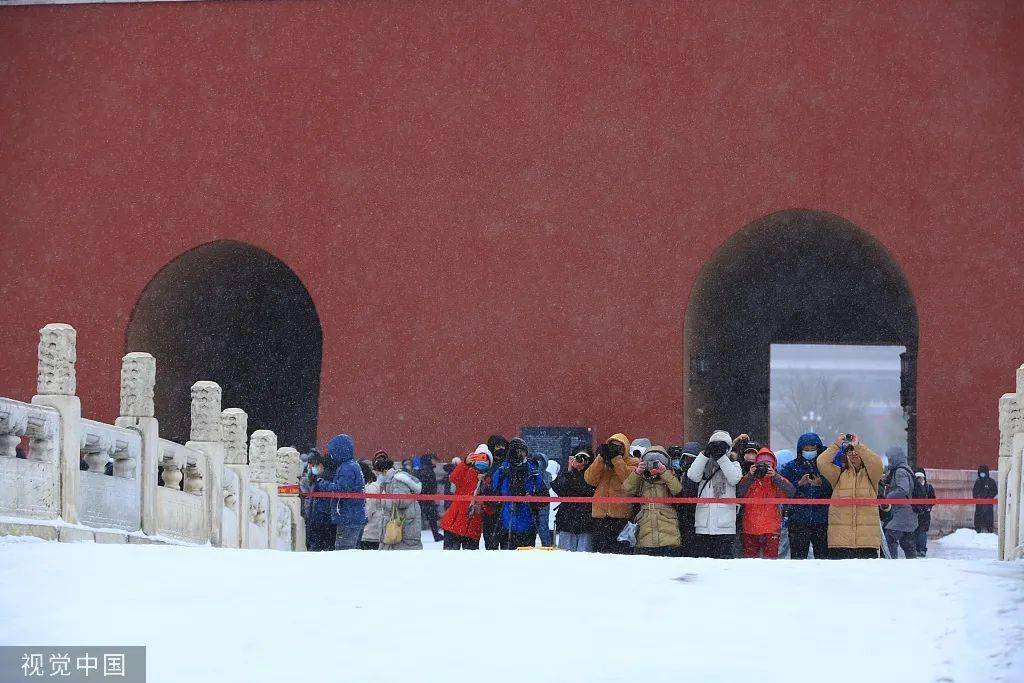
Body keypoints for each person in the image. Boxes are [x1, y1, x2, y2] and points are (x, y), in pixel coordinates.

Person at [816, 433, 884, 559]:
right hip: (840, 543)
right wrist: (836, 445)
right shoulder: (838, 474)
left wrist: (858, 445)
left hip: (867, 543)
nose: (853, 453)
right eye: (850, 451)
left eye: (855, 451)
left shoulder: (871, 477)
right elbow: (821, 462)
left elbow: (877, 464)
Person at [687, 430, 743, 559]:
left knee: (723, 564)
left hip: (725, 525)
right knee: (703, 563)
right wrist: (705, 454)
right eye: (714, 445)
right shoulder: (703, 464)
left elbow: (734, 478)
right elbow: (692, 476)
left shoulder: (734, 463)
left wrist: (722, 457)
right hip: (703, 524)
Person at [623, 445, 683, 556]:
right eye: (649, 463)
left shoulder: (671, 476)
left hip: (668, 533)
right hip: (645, 532)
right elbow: (627, 490)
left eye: (657, 463)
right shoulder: (641, 479)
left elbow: (677, 490)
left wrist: (664, 472)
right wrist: (637, 472)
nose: (653, 466)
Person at [584, 433, 639, 554]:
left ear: (625, 449)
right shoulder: (603, 462)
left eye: (619, 447)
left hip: (621, 517)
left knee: (620, 554)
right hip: (600, 517)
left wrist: (617, 459)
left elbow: (628, 481)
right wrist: (600, 458)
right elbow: (590, 479)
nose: (615, 449)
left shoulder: (633, 463)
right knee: (600, 553)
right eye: (612, 446)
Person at [487, 438, 547, 549]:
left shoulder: (533, 471)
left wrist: (533, 499)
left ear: (526, 453)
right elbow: (491, 495)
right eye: (515, 450)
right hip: (506, 523)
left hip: (528, 523)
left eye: (521, 450)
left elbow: (545, 498)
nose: (518, 454)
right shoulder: (502, 470)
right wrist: (500, 500)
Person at [780, 432, 832, 559]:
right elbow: (784, 491)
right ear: (800, 450)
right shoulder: (791, 467)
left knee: (823, 559)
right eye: (806, 449)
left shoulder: (826, 467)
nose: (809, 452)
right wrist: (799, 484)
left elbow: (833, 490)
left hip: (822, 520)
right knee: (798, 560)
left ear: (818, 449)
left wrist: (821, 484)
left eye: (813, 449)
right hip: (798, 520)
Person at [311, 434, 368, 550]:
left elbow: (340, 490)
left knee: (343, 553)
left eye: (333, 451)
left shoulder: (347, 468)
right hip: (354, 516)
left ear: (340, 451)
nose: (331, 455)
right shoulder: (353, 465)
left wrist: (321, 483)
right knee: (351, 552)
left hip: (347, 517)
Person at [736, 448, 795, 558]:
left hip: (771, 529)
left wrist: (775, 476)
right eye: (761, 464)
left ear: (773, 465)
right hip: (750, 528)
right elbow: (740, 492)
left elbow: (791, 492)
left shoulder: (776, 481)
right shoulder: (751, 481)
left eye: (768, 465)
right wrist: (750, 475)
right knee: (749, 565)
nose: (764, 468)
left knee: (770, 565)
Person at [440, 445, 490, 550]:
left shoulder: (490, 480)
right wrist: (465, 463)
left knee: (470, 563)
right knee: (449, 560)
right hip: (453, 524)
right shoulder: (466, 472)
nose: (482, 461)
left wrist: (484, 483)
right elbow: (453, 478)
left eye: (485, 459)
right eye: (479, 457)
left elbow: (490, 507)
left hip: (473, 528)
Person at [551, 446, 596, 552]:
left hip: (587, 521)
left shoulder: (593, 475)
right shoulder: (568, 474)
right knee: (565, 556)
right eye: (578, 457)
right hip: (567, 520)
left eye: (585, 458)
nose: (582, 461)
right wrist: (569, 470)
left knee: (585, 556)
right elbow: (559, 489)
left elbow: (587, 490)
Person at [378, 452, 425, 550]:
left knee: (404, 557)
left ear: (384, 470)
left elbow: (401, 501)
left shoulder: (397, 480)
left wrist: (384, 500)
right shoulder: (390, 480)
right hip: (403, 523)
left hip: (405, 526)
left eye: (378, 472)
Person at [880, 446, 918, 559]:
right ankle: (913, 564)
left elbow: (903, 489)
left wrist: (887, 497)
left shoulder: (900, 471)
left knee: (890, 538)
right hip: (907, 512)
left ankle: (892, 563)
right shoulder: (904, 468)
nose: (889, 461)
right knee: (907, 542)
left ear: (895, 458)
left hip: (902, 511)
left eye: (890, 458)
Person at [669, 442, 702, 557]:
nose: (689, 462)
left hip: (694, 516)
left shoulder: (699, 475)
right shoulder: (680, 474)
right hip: (682, 518)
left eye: (692, 459)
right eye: (686, 458)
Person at [302, 452, 337, 551]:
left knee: (318, 546)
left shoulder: (324, 479)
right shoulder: (318, 478)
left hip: (320, 518)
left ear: (321, 465)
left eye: (313, 465)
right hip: (319, 517)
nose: (311, 467)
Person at [481, 435, 509, 549]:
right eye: (498, 446)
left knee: (506, 546)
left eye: (503, 446)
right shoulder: (485, 464)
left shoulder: (509, 464)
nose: (501, 449)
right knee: (491, 545)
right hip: (490, 511)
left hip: (506, 511)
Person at [360, 452, 390, 550]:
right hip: (378, 530)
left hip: (370, 532)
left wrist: (362, 521)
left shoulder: (371, 488)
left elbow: (368, 510)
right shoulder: (380, 485)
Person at [414, 453, 444, 542]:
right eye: (433, 460)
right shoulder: (428, 471)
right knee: (432, 518)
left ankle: (416, 536)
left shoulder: (421, 470)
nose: (435, 462)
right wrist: (432, 493)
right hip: (427, 498)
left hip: (422, 498)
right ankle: (436, 535)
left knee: (421, 518)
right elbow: (429, 485)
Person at [912, 468, 936, 557]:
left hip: (924, 514)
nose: (920, 479)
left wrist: (927, 507)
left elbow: (933, 499)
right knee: (916, 531)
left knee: (922, 532)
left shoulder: (929, 487)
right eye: (918, 477)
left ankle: (921, 549)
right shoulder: (913, 487)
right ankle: (917, 549)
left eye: (921, 477)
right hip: (915, 513)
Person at [973, 465, 997, 533]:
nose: (982, 474)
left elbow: (995, 491)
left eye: (983, 472)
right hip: (979, 503)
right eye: (981, 472)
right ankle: (977, 528)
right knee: (978, 515)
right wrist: (978, 497)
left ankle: (989, 528)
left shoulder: (991, 481)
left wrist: (989, 497)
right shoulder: (978, 481)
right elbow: (974, 491)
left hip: (988, 503)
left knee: (988, 515)